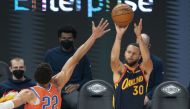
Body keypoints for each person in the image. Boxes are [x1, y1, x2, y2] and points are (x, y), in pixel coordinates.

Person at [0, 18, 110, 109]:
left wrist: (12, 98)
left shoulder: (28, 93)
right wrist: (93, 37)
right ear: (51, 77)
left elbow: (6, 106)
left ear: (36, 77)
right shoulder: (57, 85)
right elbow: (76, 57)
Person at [44, 25, 92, 109]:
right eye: (64, 38)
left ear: (73, 39)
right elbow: (43, 75)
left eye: (69, 38)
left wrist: (78, 85)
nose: (66, 40)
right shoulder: (50, 54)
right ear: (59, 39)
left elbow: (88, 78)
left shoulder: (82, 56)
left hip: (71, 91)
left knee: (77, 103)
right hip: (53, 89)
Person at [111, 19, 153, 109]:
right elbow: (114, 58)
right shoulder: (121, 70)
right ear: (124, 53)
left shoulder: (144, 70)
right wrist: (118, 36)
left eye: (134, 53)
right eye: (129, 52)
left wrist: (139, 36)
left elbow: (147, 59)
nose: (131, 55)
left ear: (139, 56)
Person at [137, 33, 164, 106]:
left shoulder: (157, 62)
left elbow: (158, 85)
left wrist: (148, 97)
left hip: (149, 99)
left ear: (148, 46)